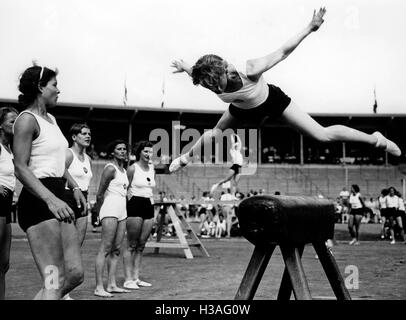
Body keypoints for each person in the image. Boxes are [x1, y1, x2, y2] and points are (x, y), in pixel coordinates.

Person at [168, 8, 401, 174]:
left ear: (224, 69)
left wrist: (310, 28)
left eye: (216, 83)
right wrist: (184, 67)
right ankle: (185, 158)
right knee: (216, 131)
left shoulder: (250, 69)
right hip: (241, 108)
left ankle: (376, 140)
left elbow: (282, 52)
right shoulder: (207, 77)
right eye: (209, 86)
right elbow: (196, 72)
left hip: (271, 101)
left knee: (321, 135)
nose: (215, 89)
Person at [13, 65, 86, 299]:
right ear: (40, 87)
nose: (58, 90)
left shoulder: (51, 119)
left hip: (60, 196)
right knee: (53, 281)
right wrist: (50, 199)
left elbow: (57, 162)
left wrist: (74, 186)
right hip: (39, 202)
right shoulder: (26, 120)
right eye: (54, 85)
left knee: (75, 274)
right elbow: (20, 167)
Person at [94, 140, 130, 297]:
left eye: (124, 149)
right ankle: (98, 287)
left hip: (122, 209)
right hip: (110, 209)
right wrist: (98, 212)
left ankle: (112, 284)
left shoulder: (124, 170)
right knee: (105, 248)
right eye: (119, 149)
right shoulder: (110, 168)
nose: (123, 151)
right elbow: (100, 193)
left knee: (116, 249)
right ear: (112, 152)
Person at [123, 141, 155, 290]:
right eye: (146, 151)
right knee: (131, 244)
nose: (149, 154)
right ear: (140, 153)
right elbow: (126, 189)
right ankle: (128, 279)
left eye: (151, 151)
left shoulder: (152, 168)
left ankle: (136, 277)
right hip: (135, 204)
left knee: (141, 245)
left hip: (148, 204)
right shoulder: (132, 168)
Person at [0, 107, 18, 300]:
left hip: (6, 204)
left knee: (4, 263)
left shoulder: (10, 148)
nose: (16, 125)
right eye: (12, 121)